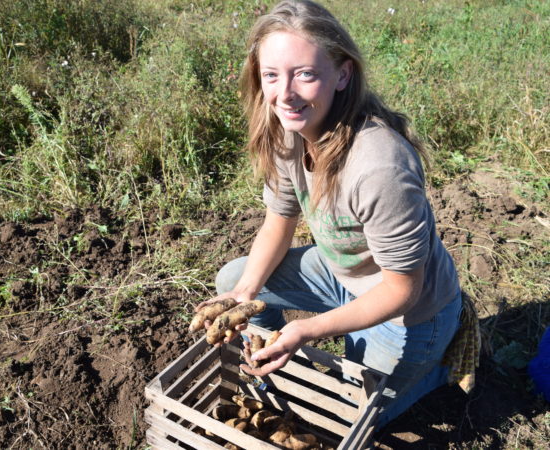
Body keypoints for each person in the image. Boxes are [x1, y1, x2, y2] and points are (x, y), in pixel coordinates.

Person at [196, 0, 463, 428]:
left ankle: (433, 370)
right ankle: (282, 355)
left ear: (343, 74)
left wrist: (307, 329)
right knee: (233, 280)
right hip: (343, 274)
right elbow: (278, 222)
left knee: (335, 418)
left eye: (305, 74)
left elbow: (401, 290)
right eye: (271, 75)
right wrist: (244, 294)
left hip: (408, 312)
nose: (285, 94)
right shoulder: (290, 128)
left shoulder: (379, 166)